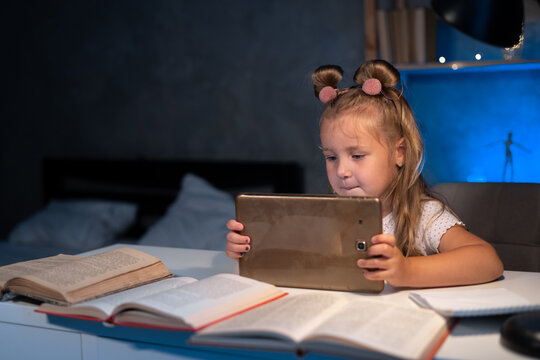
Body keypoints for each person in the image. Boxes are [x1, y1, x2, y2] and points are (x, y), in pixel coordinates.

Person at [226, 59, 504, 288]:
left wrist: (406, 270)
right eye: (331, 157)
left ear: (400, 153)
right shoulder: (327, 215)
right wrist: (253, 248)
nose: (342, 171)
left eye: (357, 155)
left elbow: (487, 261)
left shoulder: (424, 216)